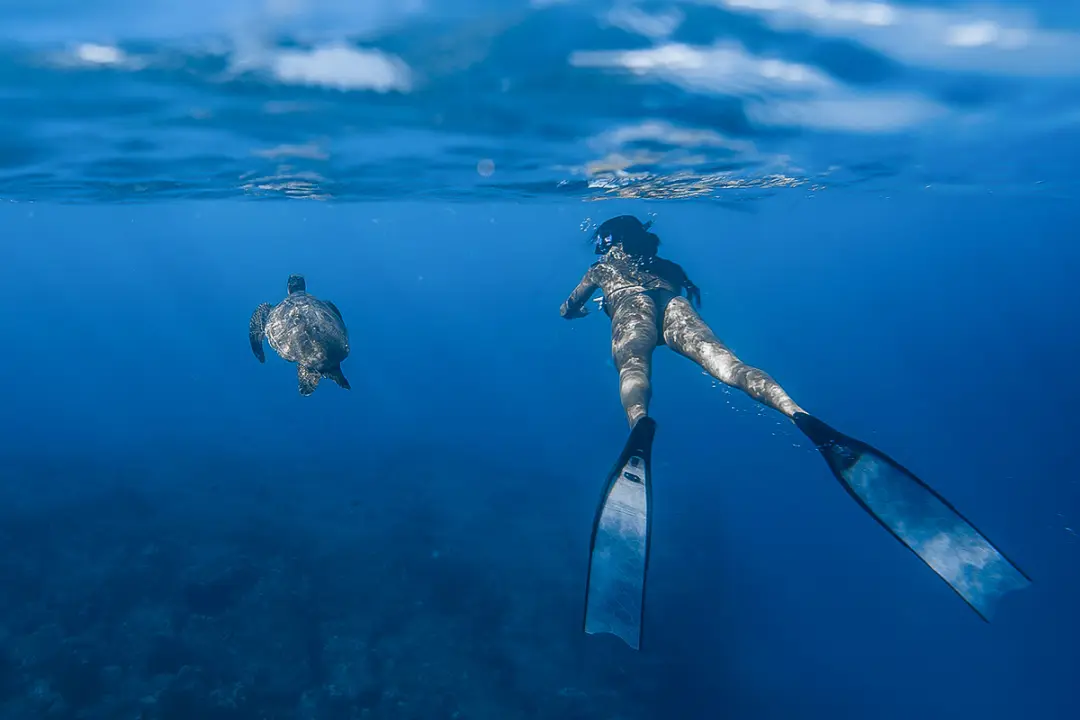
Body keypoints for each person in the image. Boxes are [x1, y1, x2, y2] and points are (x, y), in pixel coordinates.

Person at [563, 215, 1031, 652]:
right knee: (731, 367)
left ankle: (640, 423)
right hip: (676, 308)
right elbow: (681, 290)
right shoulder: (666, 268)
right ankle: (796, 412)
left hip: (630, 310)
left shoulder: (602, 268)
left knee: (632, 366)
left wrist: (582, 309)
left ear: (608, 243)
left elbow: (567, 308)